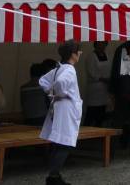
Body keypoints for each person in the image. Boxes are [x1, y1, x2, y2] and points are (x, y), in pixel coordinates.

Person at [40, 40, 83, 185]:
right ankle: (53, 176)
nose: (80, 53)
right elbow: (58, 83)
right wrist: (59, 93)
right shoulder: (69, 69)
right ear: (73, 54)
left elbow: (43, 81)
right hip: (65, 108)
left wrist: (52, 93)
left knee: (60, 142)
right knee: (65, 143)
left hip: (60, 107)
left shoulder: (60, 68)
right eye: (79, 51)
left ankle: (54, 176)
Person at [84, 40, 111, 126]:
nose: (102, 45)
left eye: (104, 43)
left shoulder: (107, 55)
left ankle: (99, 131)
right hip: (94, 89)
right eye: (100, 43)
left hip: (104, 89)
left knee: (101, 112)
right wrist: (103, 79)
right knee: (91, 113)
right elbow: (91, 72)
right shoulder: (91, 56)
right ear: (95, 44)